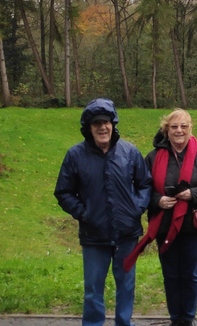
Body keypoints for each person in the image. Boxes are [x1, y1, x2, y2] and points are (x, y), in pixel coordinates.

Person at [54, 97, 152, 326]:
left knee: (126, 286)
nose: (102, 127)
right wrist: (84, 213)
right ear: (89, 127)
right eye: (96, 122)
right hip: (94, 235)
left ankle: (123, 323)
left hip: (127, 234)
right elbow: (63, 192)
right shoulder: (75, 155)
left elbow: (145, 184)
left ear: (113, 124)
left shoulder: (129, 152)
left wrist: (136, 208)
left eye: (106, 121)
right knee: (93, 289)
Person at [124, 109, 197, 326]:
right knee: (170, 274)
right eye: (174, 126)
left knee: (190, 274)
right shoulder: (152, 158)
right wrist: (157, 200)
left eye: (184, 126)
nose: (179, 131)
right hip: (164, 224)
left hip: (193, 226)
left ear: (190, 129)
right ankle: (175, 318)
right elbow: (140, 188)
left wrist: (193, 194)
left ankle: (187, 319)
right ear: (166, 130)